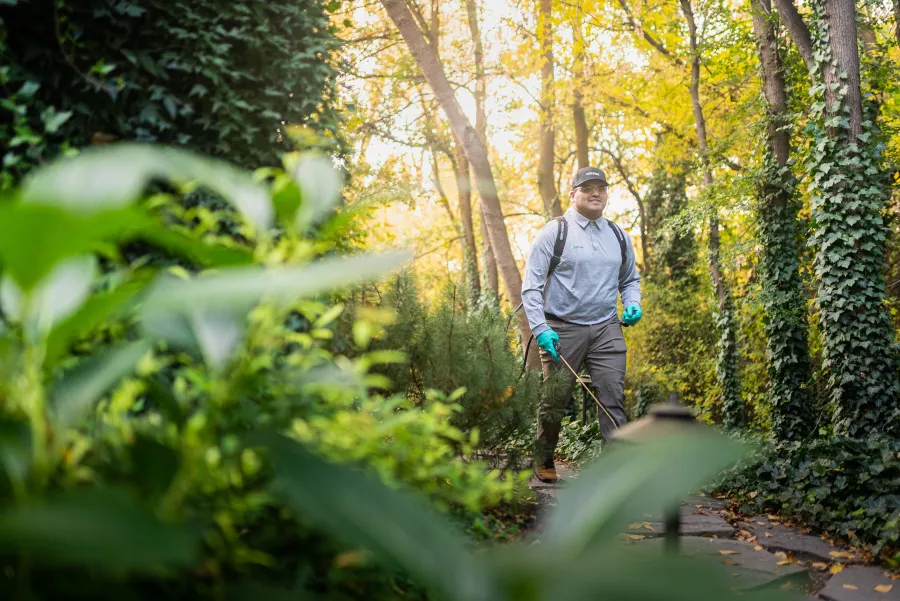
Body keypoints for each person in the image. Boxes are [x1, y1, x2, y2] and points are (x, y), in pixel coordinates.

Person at [521, 166, 643, 483]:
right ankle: (544, 457)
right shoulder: (555, 232)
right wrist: (540, 328)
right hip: (561, 328)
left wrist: (633, 303)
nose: (595, 193)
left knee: (613, 397)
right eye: (587, 187)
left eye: (600, 188)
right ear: (573, 194)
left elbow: (630, 279)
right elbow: (531, 286)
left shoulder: (618, 235)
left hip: (606, 328)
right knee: (555, 401)